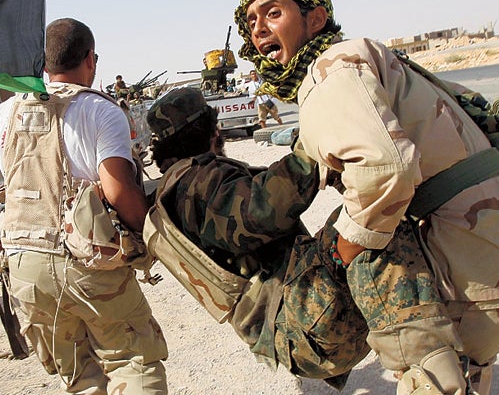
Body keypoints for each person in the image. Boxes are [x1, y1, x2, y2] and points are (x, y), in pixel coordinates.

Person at [234, 0, 499, 395]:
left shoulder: (328, 68)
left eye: (273, 12)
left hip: (472, 247)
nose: (259, 28)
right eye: (251, 21)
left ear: (316, 19)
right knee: (467, 368)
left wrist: (344, 249)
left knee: (431, 373)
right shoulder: (372, 56)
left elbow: (385, 172)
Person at [0, 18, 168, 395]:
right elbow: (119, 192)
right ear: (91, 59)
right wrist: (152, 241)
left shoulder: (5, 112)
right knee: (132, 360)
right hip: (87, 264)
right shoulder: (99, 111)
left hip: (26, 267)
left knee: (81, 379)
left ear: (42, 64)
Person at [143, 87, 375, 390]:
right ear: (213, 130)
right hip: (308, 327)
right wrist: (312, 150)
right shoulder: (198, 182)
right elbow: (259, 210)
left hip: (293, 333)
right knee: (375, 218)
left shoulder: (171, 192)